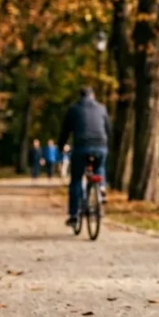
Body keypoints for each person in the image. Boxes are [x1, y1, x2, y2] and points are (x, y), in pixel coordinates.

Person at [58, 87, 110, 226]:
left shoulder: (74, 109)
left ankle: (74, 215)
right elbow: (108, 128)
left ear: (79, 96)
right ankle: (102, 187)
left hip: (81, 147)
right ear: (93, 95)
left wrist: (61, 146)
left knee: (76, 180)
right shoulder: (102, 108)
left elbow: (65, 130)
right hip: (100, 146)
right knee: (100, 167)